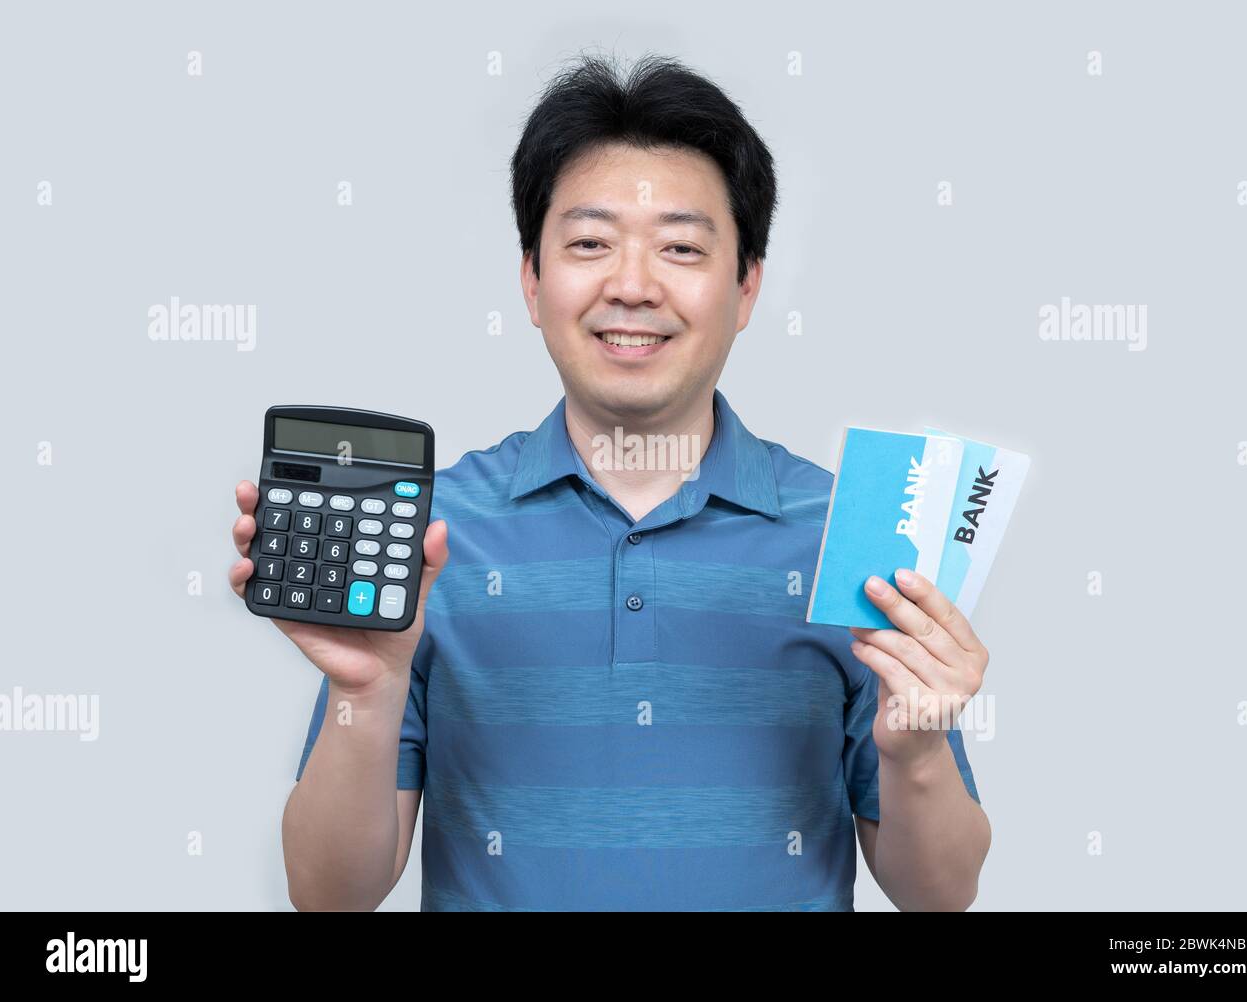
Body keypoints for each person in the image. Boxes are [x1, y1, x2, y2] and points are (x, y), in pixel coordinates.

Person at [228, 52, 991, 911]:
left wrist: (918, 751)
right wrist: (365, 694)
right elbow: (330, 895)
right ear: (532, 279)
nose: (631, 287)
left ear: (746, 288)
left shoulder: (845, 534)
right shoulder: (432, 536)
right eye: (590, 244)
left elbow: (941, 896)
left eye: (680, 247)